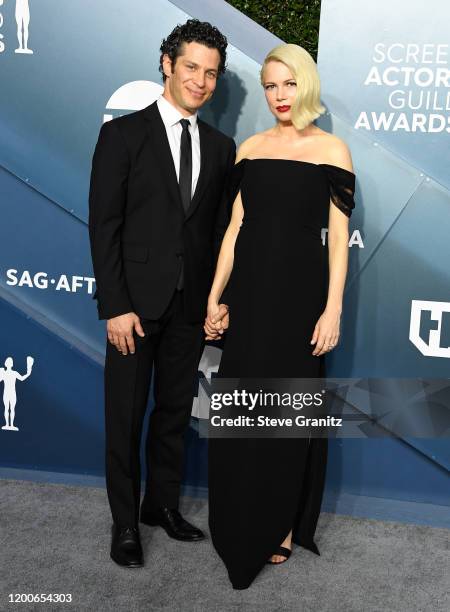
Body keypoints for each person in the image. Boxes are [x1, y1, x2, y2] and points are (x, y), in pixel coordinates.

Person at [204, 43, 356, 589]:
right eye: (269, 86)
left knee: (287, 413)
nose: (278, 96)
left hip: (299, 300)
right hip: (249, 298)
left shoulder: (332, 151)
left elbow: (338, 241)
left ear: (306, 85)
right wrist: (214, 296)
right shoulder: (251, 147)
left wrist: (332, 307)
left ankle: (282, 524)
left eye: (288, 84)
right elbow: (232, 231)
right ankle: (238, 515)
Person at [88, 19, 234, 568]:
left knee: (174, 413)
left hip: (190, 308)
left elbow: (221, 233)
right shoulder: (123, 135)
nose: (200, 81)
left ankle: (161, 507)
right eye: (192, 67)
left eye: (212, 73)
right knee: (124, 418)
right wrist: (116, 306)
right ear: (167, 64)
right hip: (134, 307)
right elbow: (105, 225)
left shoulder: (222, 147)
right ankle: (125, 523)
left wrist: (217, 301)